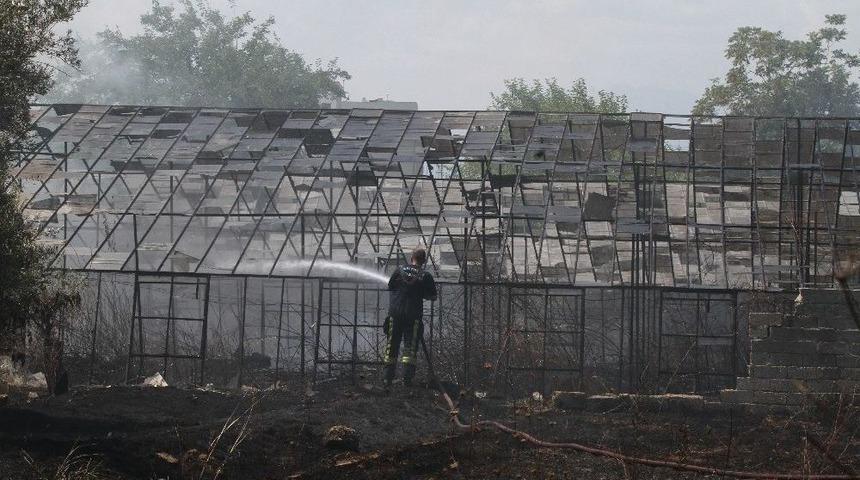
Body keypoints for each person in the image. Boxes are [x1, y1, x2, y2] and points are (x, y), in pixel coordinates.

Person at [383, 248, 437, 389]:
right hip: (413, 316)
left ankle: (387, 379)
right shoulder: (425, 276)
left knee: (391, 346)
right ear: (424, 261)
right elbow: (433, 296)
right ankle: (407, 381)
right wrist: (421, 293)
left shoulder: (399, 270)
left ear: (411, 257)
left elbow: (390, 287)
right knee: (410, 348)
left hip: (395, 313)